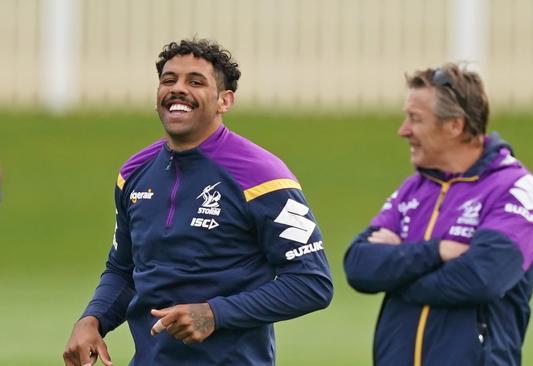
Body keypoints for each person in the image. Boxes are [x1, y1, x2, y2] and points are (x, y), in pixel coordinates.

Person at [63, 39, 333, 366]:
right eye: (168, 80)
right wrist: (93, 320)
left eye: (195, 81)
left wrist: (215, 314)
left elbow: (311, 283)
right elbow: (124, 269)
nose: (178, 89)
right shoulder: (134, 173)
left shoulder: (263, 175)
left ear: (224, 100)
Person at [344, 63, 533, 366]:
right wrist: (437, 251)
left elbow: (482, 277)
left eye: (415, 119)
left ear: (455, 125)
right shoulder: (414, 189)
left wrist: (397, 276)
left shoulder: (513, 188)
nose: (403, 130)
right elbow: (359, 265)